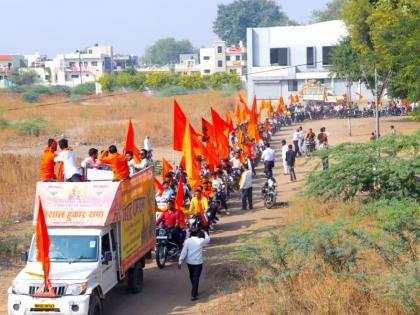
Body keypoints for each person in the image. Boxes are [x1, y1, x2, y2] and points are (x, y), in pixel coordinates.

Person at [178, 227, 210, 301]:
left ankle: (194, 290)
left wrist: (180, 261)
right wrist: (204, 232)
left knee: (192, 276)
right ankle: (194, 294)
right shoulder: (201, 241)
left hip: (189, 262)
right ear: (198, 233)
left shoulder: (187, 241)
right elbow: (208, 239)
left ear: (191, 233)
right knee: (196, 278)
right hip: (198, 262)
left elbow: (184, 252)